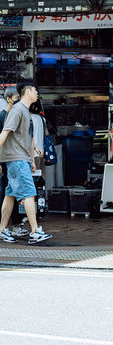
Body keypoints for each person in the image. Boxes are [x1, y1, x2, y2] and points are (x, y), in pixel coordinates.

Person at [0, 83, 51, 244]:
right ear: (27, 91)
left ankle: (2, 229)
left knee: (10, 194)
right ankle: (35, 231)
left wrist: (32, 158)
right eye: (35, 90)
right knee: (29, 193)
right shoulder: (17, 110)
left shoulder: (26, 112)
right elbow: (5, 132)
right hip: (16, 159)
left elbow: (28, 138)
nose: (37, 93)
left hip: (22, 159)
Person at [0, 89, 18, 206]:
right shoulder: (1, 117)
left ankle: (15, 219)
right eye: (17, 98)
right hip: (4, 158)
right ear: (8, 99)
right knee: (4, 188)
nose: (19, 100)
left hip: (15, 157)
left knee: (13, 189)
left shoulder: (18, 114)